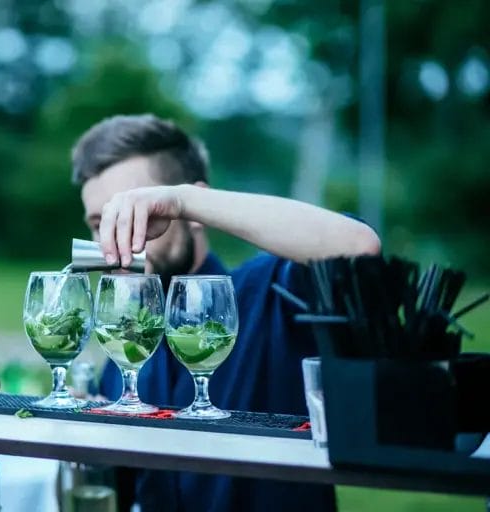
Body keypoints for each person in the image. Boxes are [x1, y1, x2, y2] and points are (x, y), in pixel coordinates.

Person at [70, 114, 380, 512]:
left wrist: (185, 201)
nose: (114, 239)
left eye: (137, 212)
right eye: (101, 223)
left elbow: (359, 248)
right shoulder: (126, 342)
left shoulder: (270, 290)